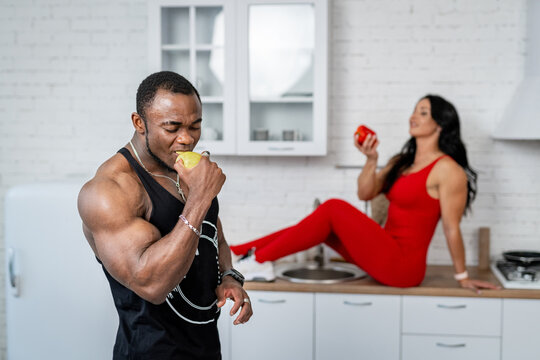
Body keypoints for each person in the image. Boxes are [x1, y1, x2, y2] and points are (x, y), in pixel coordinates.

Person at [231, 94, 500, 293]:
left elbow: (452, 228)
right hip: (385, 248)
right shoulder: (402, 161)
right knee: (323, 225)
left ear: (440, 124)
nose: (413, 117)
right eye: (414, 110)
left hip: (404, 266)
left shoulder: (448, 170)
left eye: (423, 112)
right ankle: (238, 253)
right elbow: (365, 193)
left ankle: (256, 260)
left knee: (333, 208)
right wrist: (371, 160)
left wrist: (462, 276)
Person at [78, 71, 252, 359]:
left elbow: (214, 235)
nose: (186, 139)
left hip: (207, 349)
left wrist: (230, 278)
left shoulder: (187, 169)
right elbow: (152, 284)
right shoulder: (110, 191)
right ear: (139, 123)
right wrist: (200, 197)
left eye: (195, 126)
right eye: (172, 128)